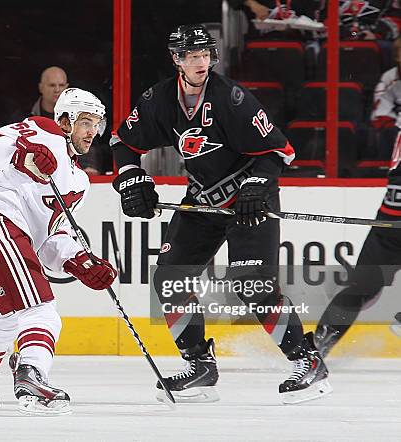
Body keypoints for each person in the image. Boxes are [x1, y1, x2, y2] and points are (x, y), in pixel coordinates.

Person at [111, 24, 331, 404]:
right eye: (192, 56)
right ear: (176, 59)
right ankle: (200, 365)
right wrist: (131, 177)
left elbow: (279, 152)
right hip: (203, 200)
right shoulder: (160, 99)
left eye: (206, 55)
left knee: (251, 283)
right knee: (170, 279)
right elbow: (122, 141)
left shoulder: (231, 97)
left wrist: (257, 186)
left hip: (248, 202)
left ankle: (308, 360)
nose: (201, 62)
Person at [0, 87, 117, 414]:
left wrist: (80, 262)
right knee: (41, 309)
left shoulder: (80, 181)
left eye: (97, 124)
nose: (92, 131)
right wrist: (23, 154)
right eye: (86, 122)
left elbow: (50, 239)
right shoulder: (44, 130)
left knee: (4, 317)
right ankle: (32, 375)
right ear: (65, 121)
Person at [314, 120, 401, 357]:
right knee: (361, 287)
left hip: (389, 222)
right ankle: (316, 348)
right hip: (389, 226)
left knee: (359, 288)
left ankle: (316, 347)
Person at [27, 66, 104, 175]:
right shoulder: (25, 118)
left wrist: (89, 166)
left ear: (67, 87)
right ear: (41, 87)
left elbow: (88, 144)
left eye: (61, 85)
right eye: (52, 85)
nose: (57, 90)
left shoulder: (83, 118)